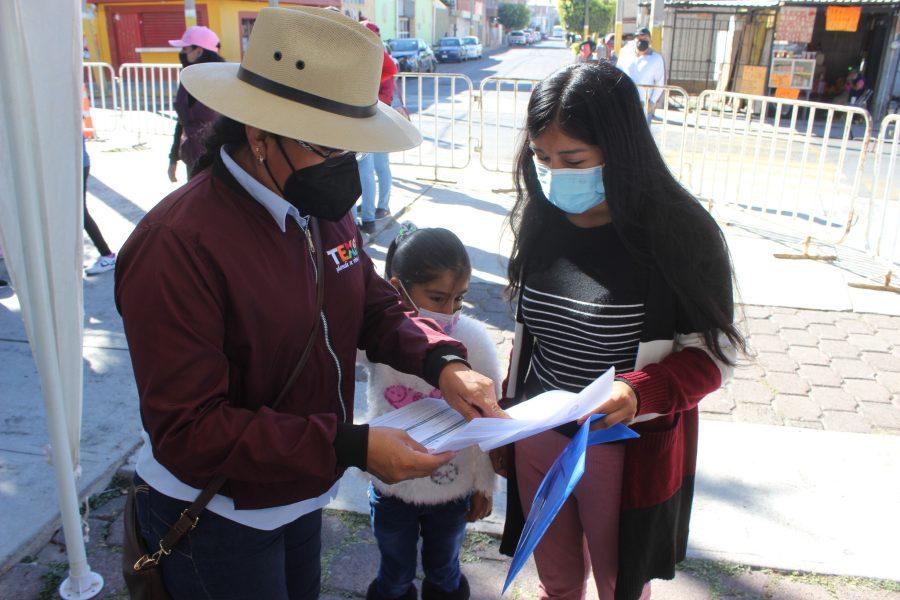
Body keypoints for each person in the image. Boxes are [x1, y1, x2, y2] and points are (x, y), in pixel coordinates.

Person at [115, 8, 503, 599]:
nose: (347, 167)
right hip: (218, 515)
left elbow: (372, 303)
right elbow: (189, 428)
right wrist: (348, 445)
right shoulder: (177, 246)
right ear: (260, 134)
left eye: (355, 146)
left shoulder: (317, 203)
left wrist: (444, 363)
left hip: (300, 493)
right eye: (330, 146)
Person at [493, 61, 746, 600]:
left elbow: (713, 357)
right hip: (538, 436)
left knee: (619, 585)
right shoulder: (541, 218)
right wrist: (505, 419)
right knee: (556, 579)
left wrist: (638, 390)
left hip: (619, 450)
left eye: (573, 160)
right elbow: (529, 335)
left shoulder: (680, 234)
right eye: (542, 158)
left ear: (620, 149)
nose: (554, 174)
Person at [361, 223, 499, 600]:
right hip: (391, 487)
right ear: (396, 288)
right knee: (395, 569)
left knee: (444, 566)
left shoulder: (474, 341)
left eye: (459, 298)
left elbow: (491, 420)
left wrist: (485, 485)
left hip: (452, 491)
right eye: (438, 297)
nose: (449, 310)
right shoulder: (380, 336)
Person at [166, 26, 223, 182]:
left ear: (199, 51)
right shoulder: (186, 79)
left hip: (217, 161)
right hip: (191, 158)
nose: (182, 54)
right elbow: (182, 122)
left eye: (185, 49)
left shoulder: (222, 80)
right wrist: (173, 158)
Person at [357, 20, 397, 235]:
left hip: (374, 119)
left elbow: (389, 75)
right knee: (371, 167)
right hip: (374, 118)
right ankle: (372, 212)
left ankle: (371, 213)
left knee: (371, 167)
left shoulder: (370, 57)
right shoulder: (369, 57)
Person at [616, 27, 666, 124]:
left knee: (641, 136)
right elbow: (617, 74)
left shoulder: (656, 59)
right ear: (635, 39)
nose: (642, 41)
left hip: (643, 104)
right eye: (639, 38)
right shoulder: (625, 54)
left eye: (645, 39)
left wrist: (652, 102)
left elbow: (660, 82)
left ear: (650, 41)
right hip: (625, 101)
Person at [82, 137, 116, 275]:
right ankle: (107, 255)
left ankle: (107, 255)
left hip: (75, 165)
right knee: (76, 214)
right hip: (75, 164)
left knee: (79, 213)